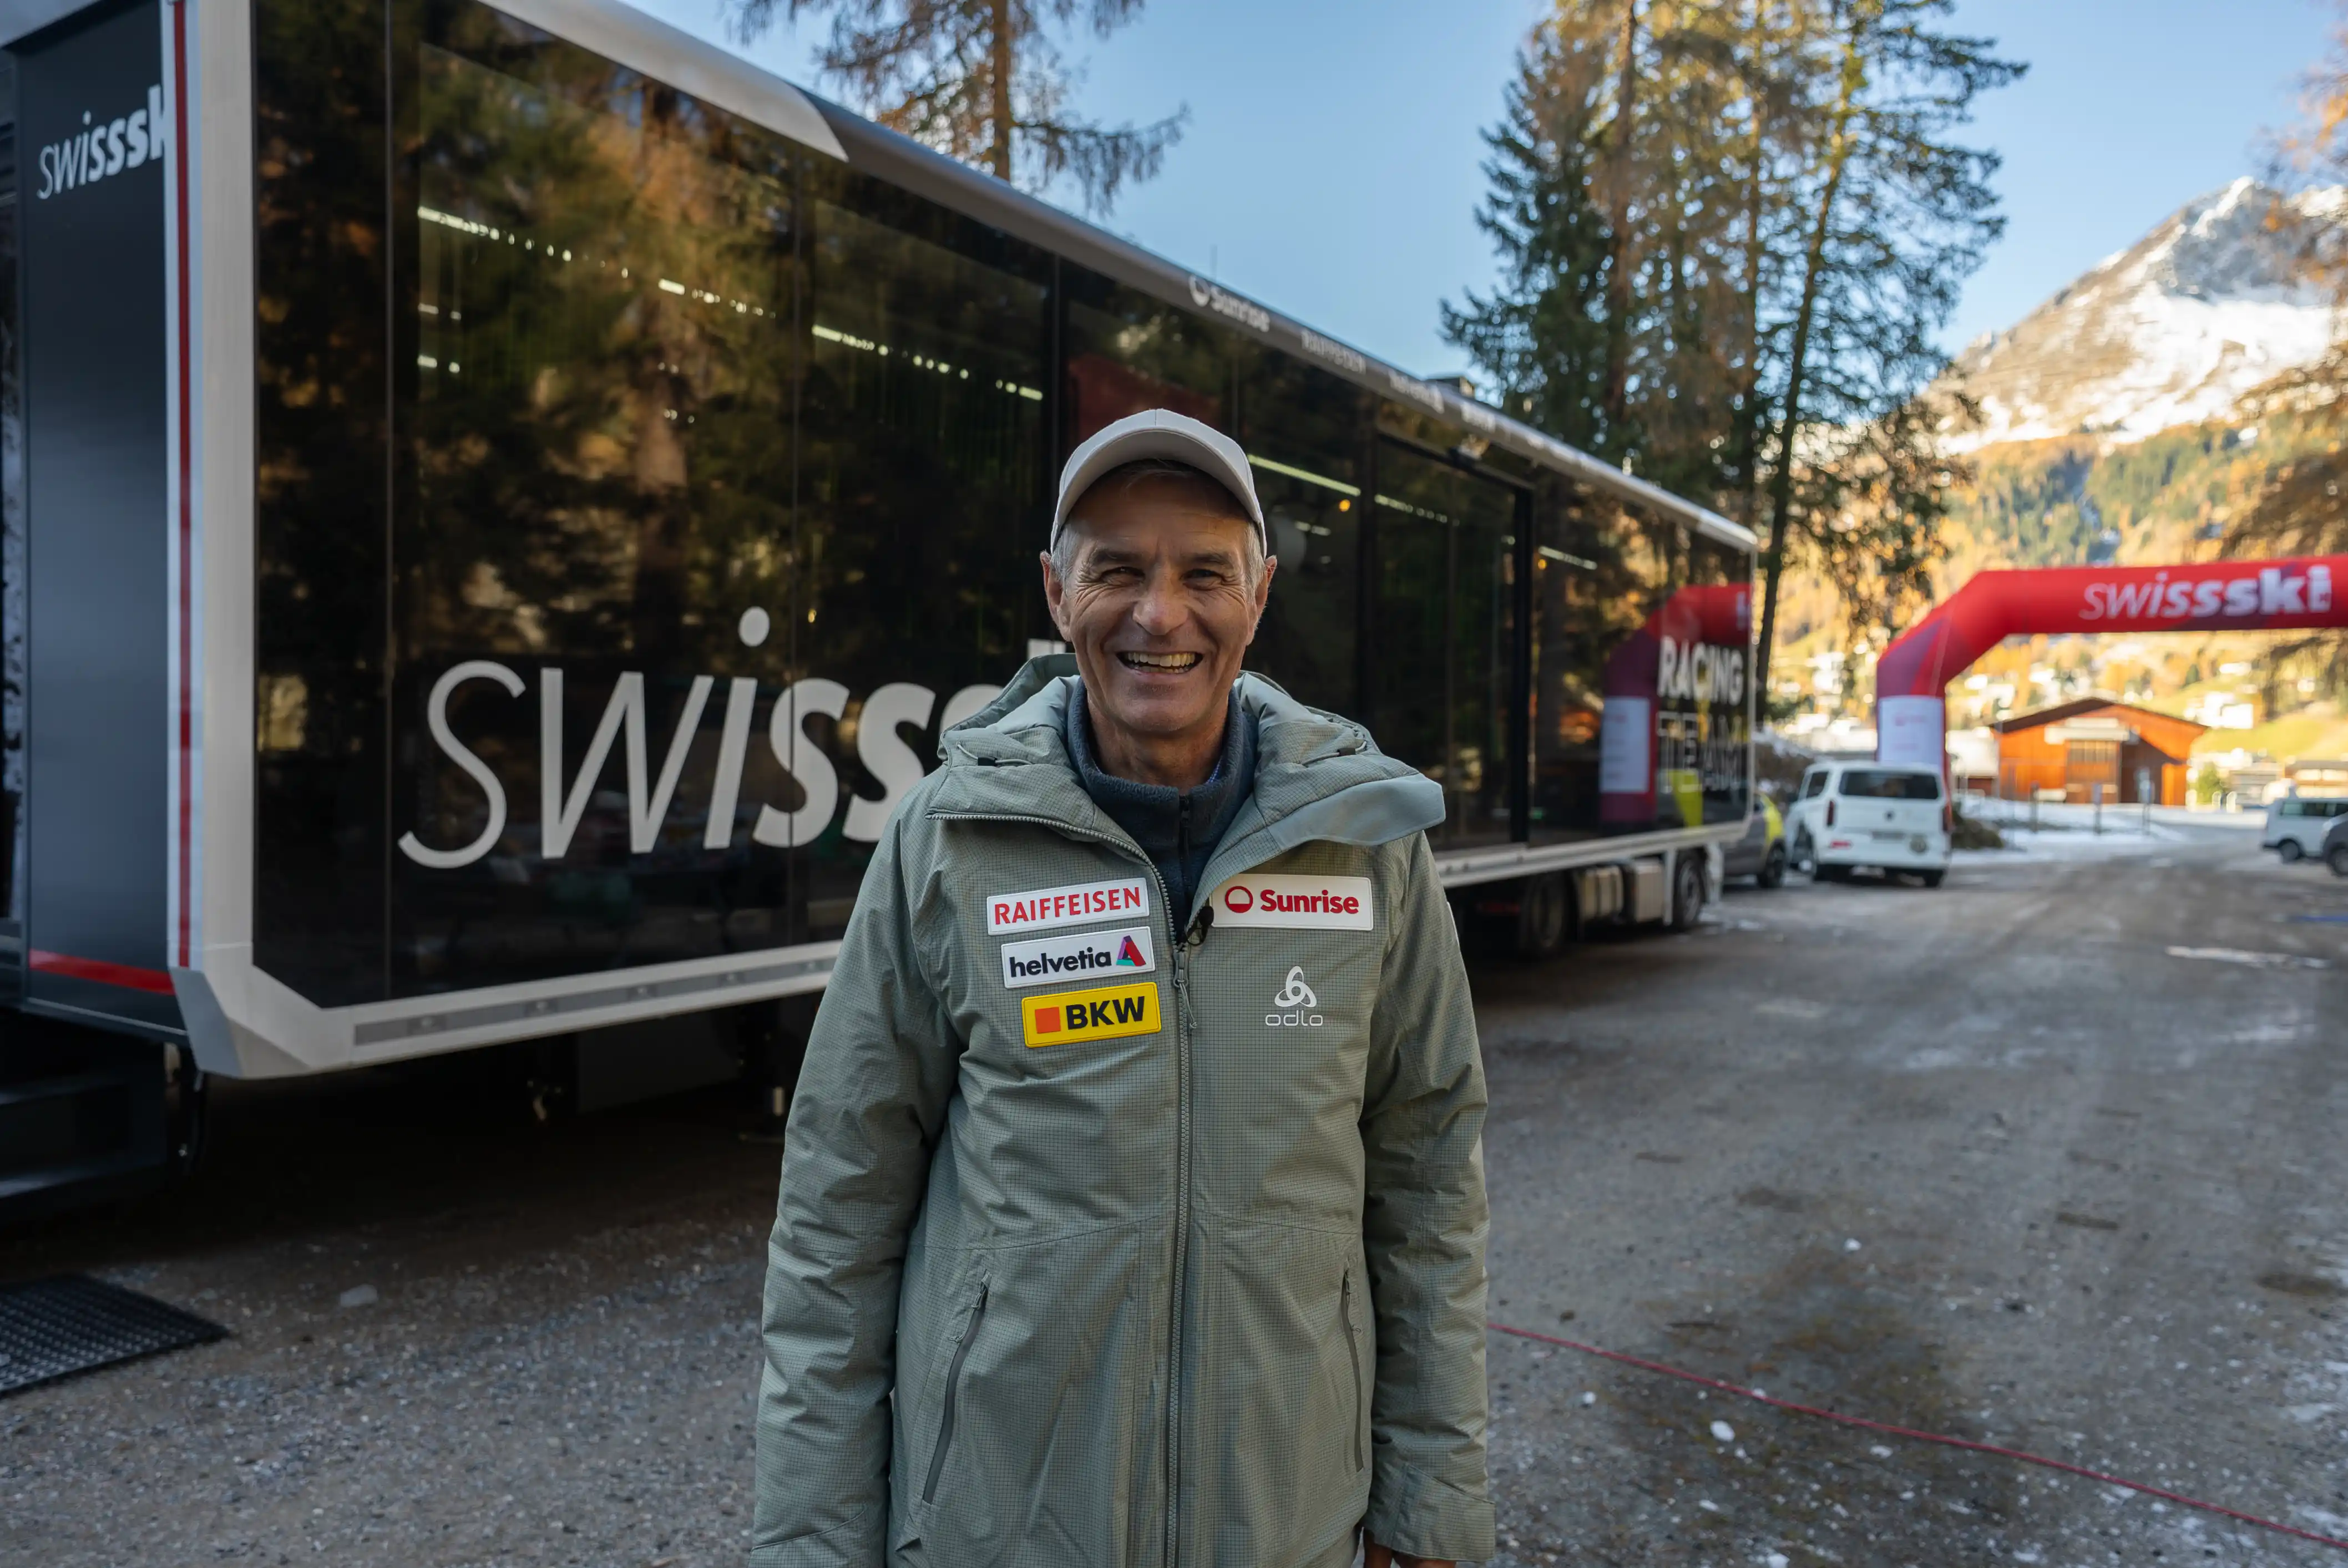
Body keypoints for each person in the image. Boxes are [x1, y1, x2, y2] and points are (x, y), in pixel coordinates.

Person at [751, 409, 1493, 1568]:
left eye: (1204, 573)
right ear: (1058, 595)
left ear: (1259, 599)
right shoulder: (949, 840)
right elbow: (838, 1205)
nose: (1160, 615)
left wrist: (1427, 1502)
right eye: (1117, 571)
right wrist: (812, 1543)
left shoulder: (1367, 846)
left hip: (1283, 1523)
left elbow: (1430, 1181)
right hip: (998, 1528)